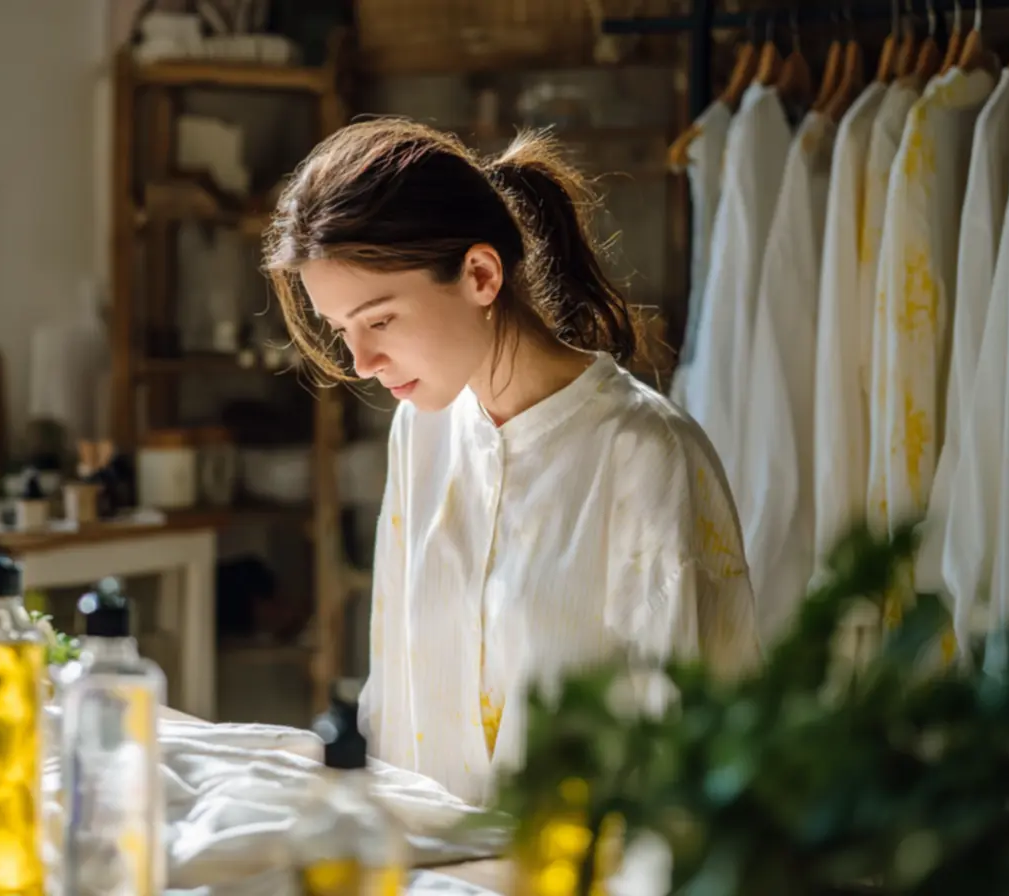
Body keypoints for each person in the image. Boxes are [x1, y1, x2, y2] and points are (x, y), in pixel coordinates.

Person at [264, 118, 760, 805]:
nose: (362, 362)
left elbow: (693, 767)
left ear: (480, 274)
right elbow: (395, 698)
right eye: (342, 330)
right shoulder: (422, 433)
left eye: (379, 319)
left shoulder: (648, 458)